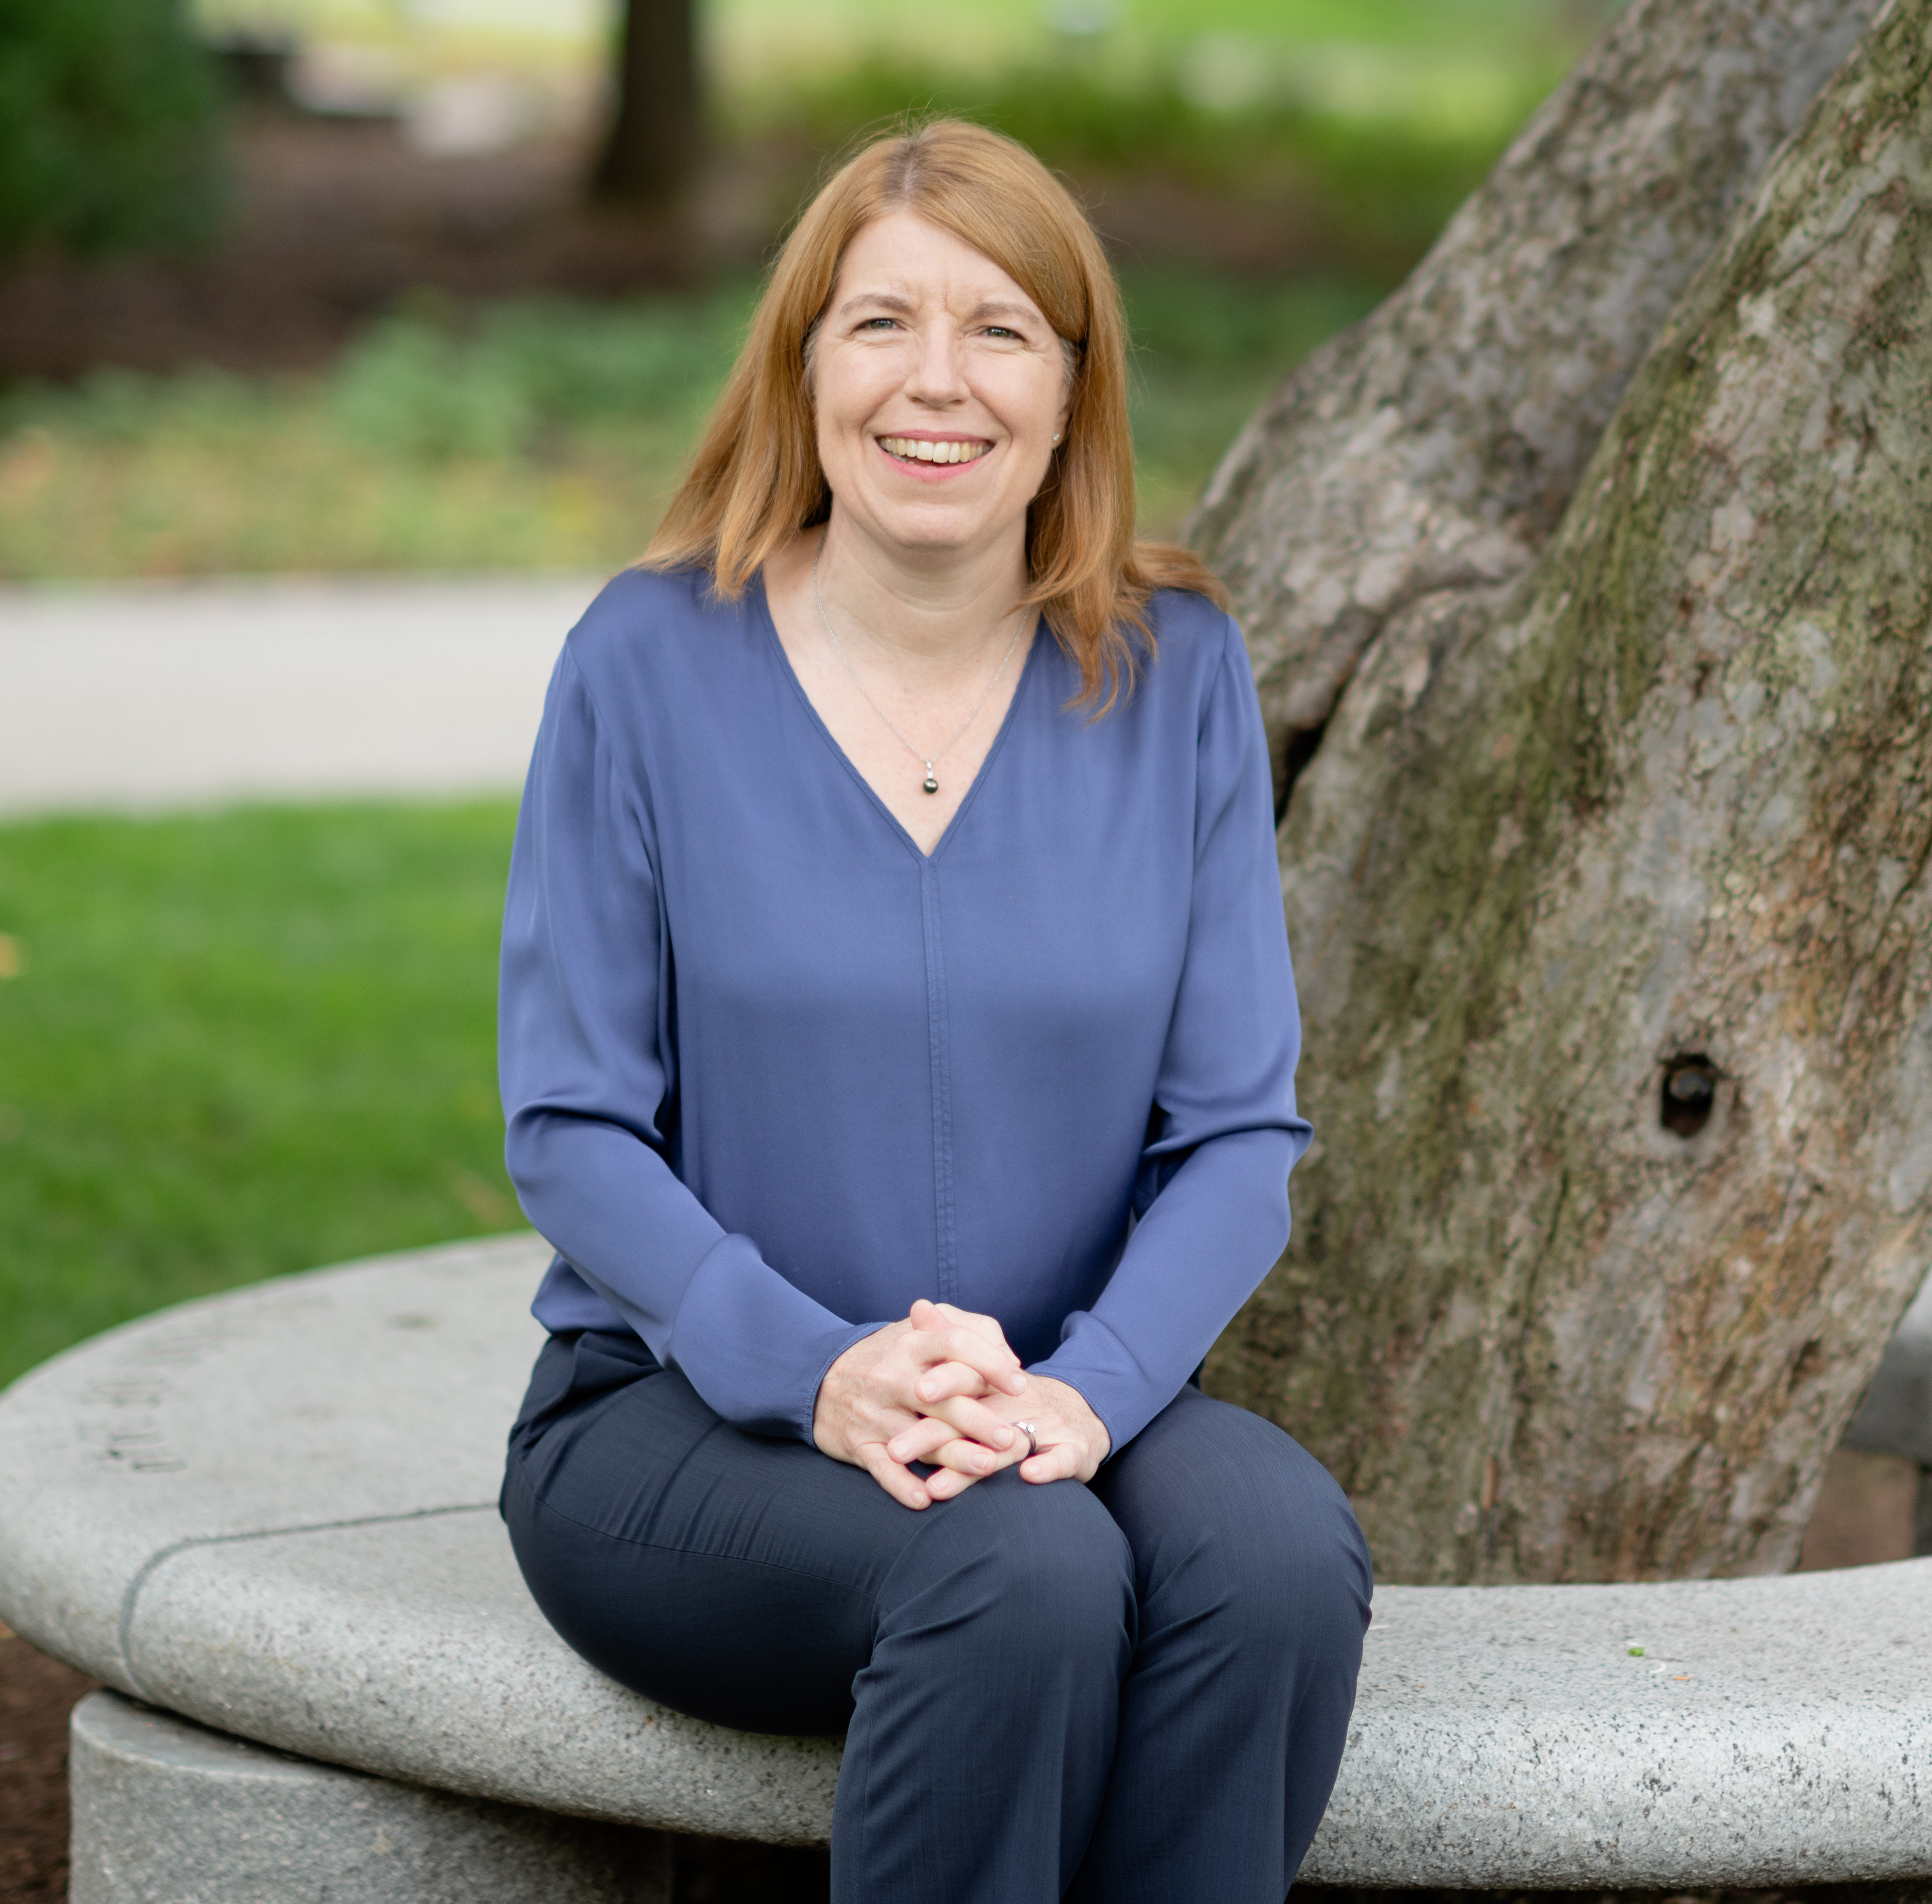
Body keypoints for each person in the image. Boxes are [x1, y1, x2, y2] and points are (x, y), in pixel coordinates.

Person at [493, 117, 1372, 1904]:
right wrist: (814, 1371)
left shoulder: (1173, 671)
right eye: (878, 323)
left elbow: (1235, 1135)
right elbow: (571, 1129)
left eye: (999, 331)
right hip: (680, 1412)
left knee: (1274, 1556)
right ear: (801, 364)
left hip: (1045, 1397)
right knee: (1017, 1575)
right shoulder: (646, 662)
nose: (935, 382)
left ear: (1069, 392)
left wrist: (1093, 1394)